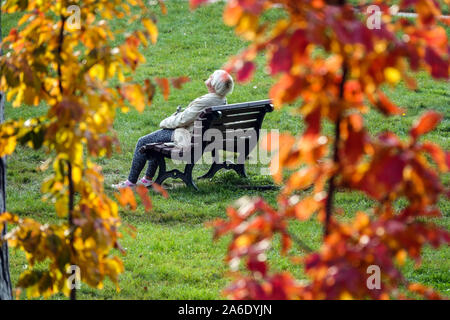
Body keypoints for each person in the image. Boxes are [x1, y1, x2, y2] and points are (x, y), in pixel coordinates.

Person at [112, 70, 234, 189]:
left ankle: (130, 183)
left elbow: (182, 120)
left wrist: (165, 122)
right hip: (202, 139)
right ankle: (147, 179)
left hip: (187, 137)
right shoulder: (221, 100)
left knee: (142, 142)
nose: (210, 76)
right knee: (154, 140)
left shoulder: (207, 101)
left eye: (213, 77)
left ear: (214, 84)